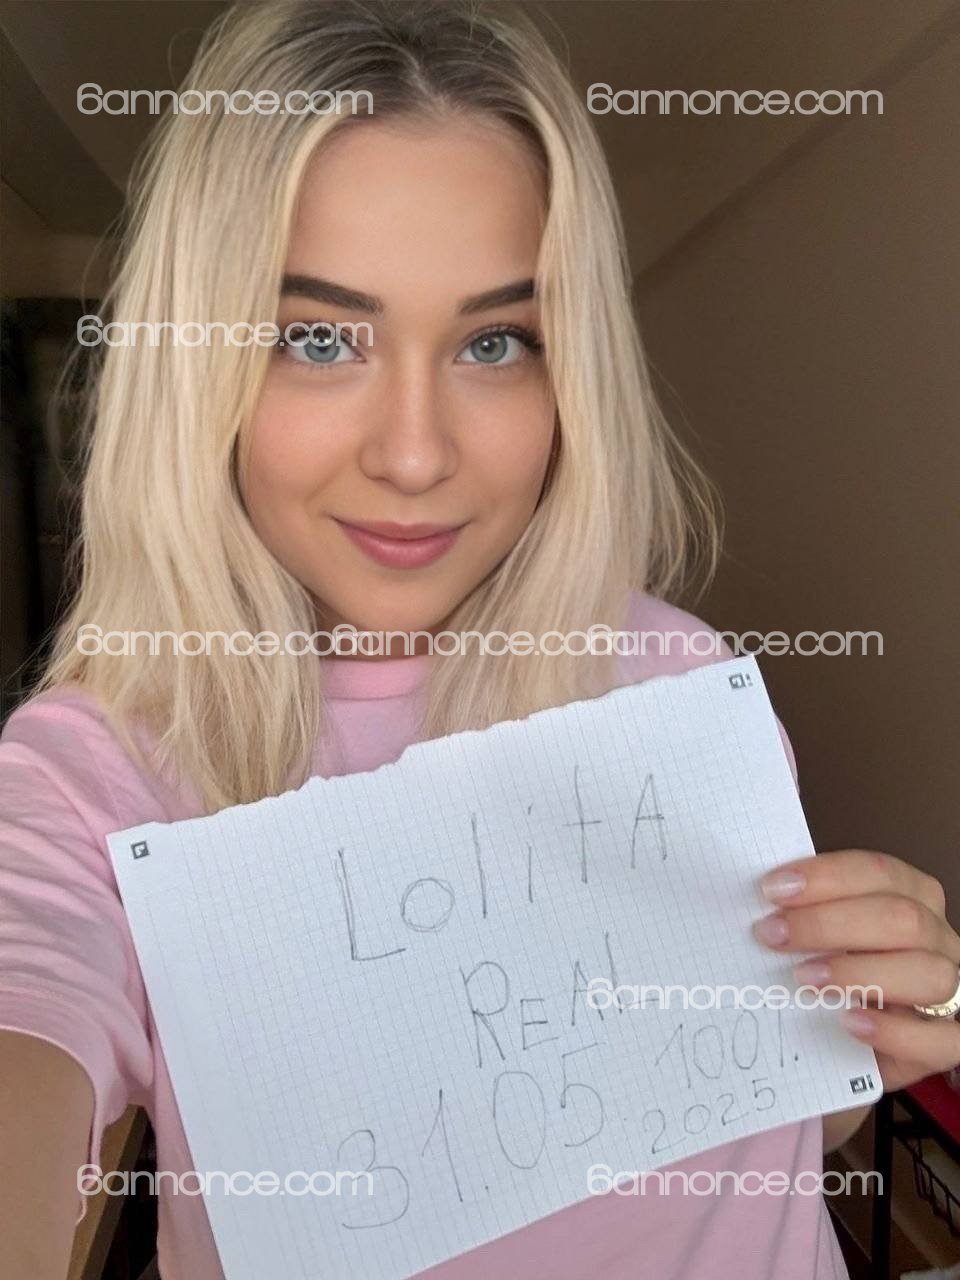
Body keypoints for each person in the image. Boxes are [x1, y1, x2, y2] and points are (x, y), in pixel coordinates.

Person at [2, 3, 957, 1277]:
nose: (414, 454)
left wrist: (876, 1016)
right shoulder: (99, 767)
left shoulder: (680, 675)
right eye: (317, 337)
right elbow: (26, 1021)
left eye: (495, 342)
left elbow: (775, 1139)